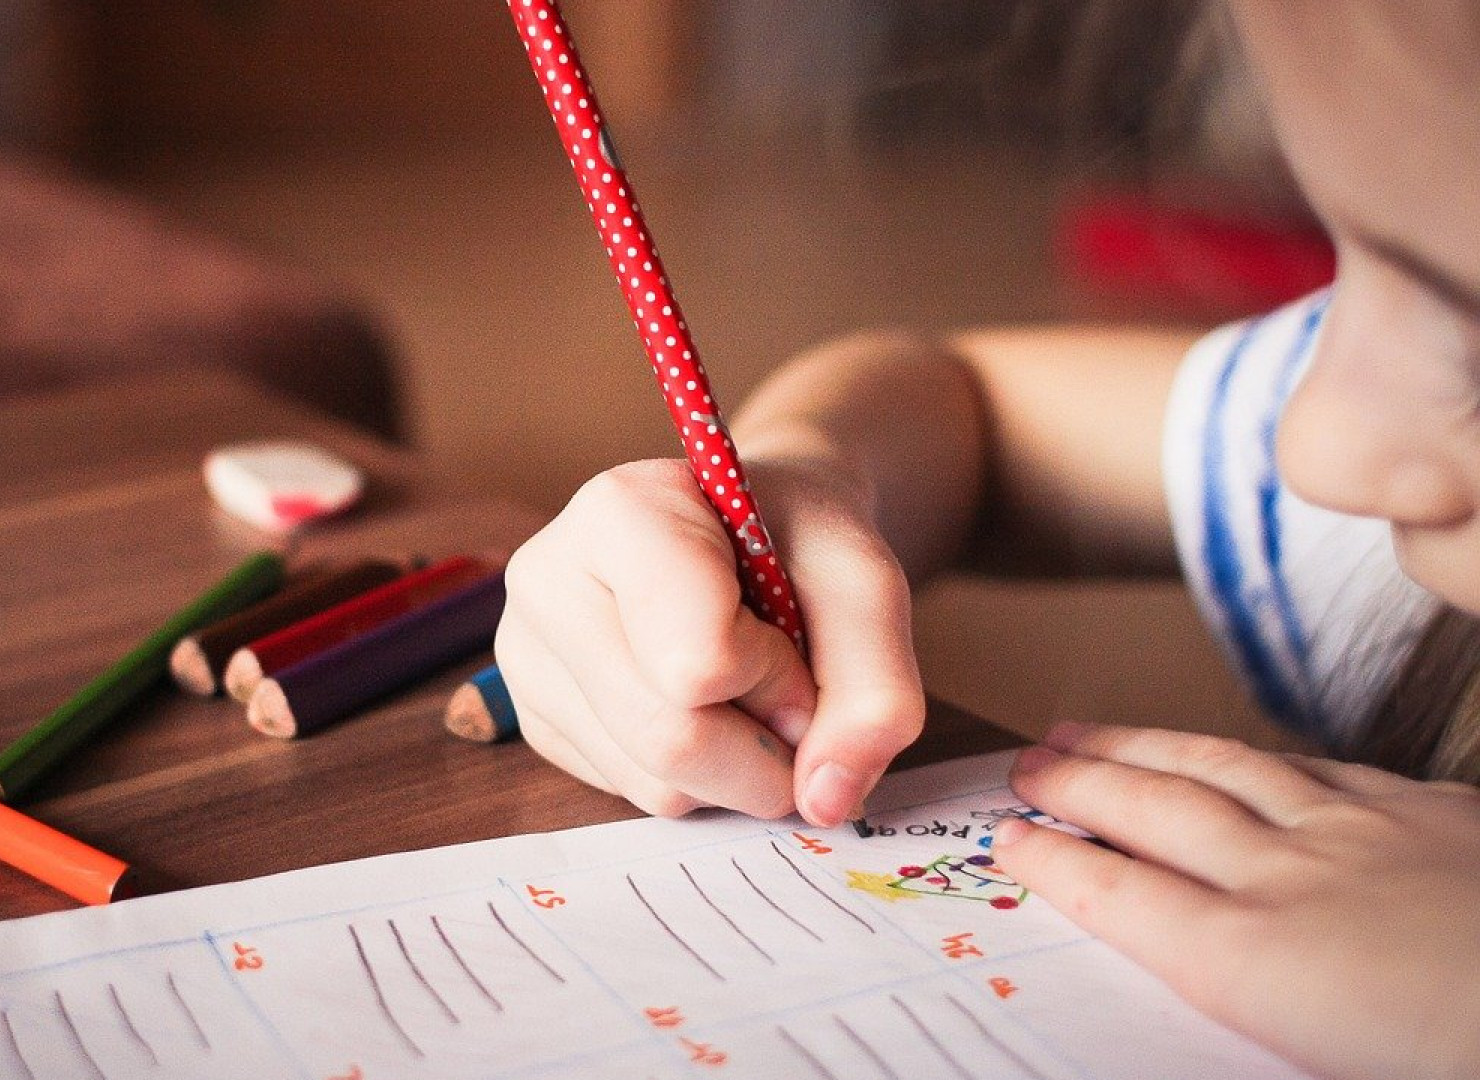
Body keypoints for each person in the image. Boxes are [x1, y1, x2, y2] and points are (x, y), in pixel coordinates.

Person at [493, 3, 1480, 1078]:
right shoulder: (1389, 455)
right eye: (1341, 273)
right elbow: (974, 410)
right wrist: (807, 482)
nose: (1313, 444)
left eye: (1473, 340)